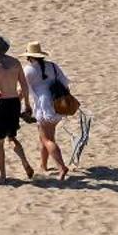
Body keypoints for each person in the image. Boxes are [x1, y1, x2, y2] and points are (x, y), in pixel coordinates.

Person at [0, 35, 36, 182]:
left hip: (1, 104)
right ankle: (25, 162)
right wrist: (27, 104)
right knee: (12, 137)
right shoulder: (15, 63)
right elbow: (24, 85)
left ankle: (2, 175)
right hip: (14, 102)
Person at [18, 42, 75, 180]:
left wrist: (15, 105)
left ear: (29, 57)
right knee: (46, 136)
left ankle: (61, 167)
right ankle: (43, 165)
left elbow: (21, 91)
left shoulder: (29, 70)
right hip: (58, 104)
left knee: (47, 139)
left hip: (44, 107)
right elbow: (66, 85)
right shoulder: (53, 66)